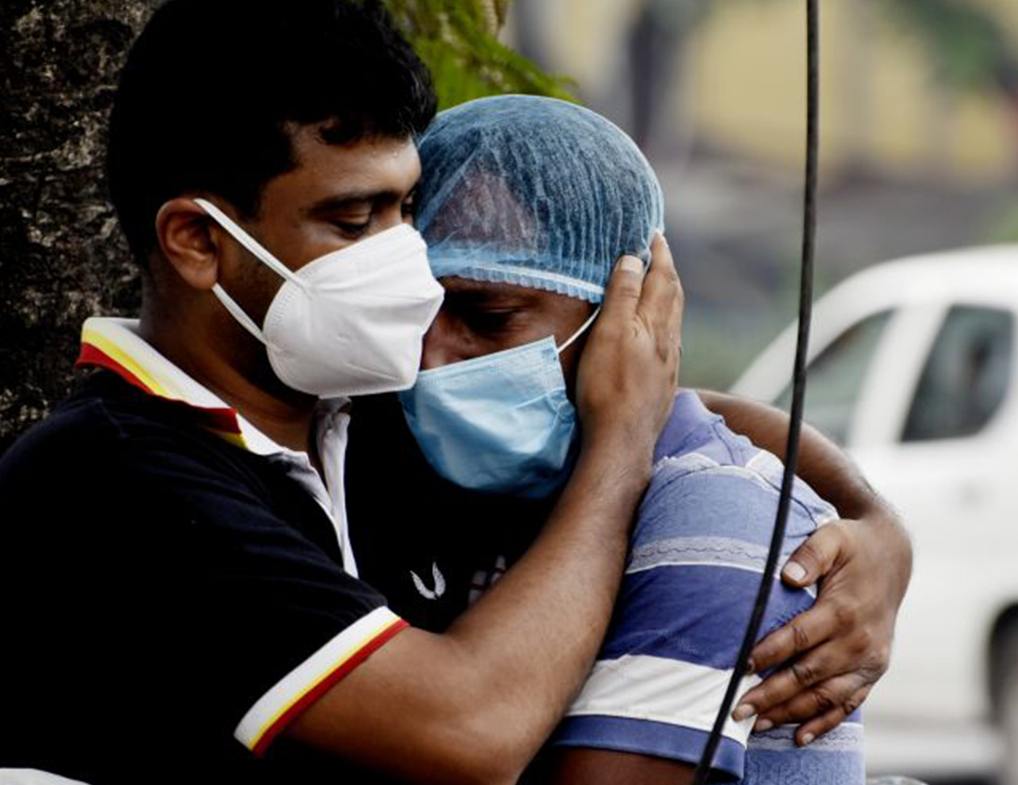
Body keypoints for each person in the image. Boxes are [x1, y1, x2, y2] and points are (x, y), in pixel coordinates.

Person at [0, 2, 909, 783]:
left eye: (404, 208)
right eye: (354, 219)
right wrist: (622, 448)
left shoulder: (358, 409)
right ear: (199, 241)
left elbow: (661, 402)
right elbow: (468, 734)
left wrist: (873, 526)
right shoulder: (111, 484)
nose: (404, 266)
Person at [349, 94, 864, 784]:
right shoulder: (468, 481)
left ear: (630, 315)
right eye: (418, 309)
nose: (429, 357)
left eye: (490, 314)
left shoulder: (717, 519)